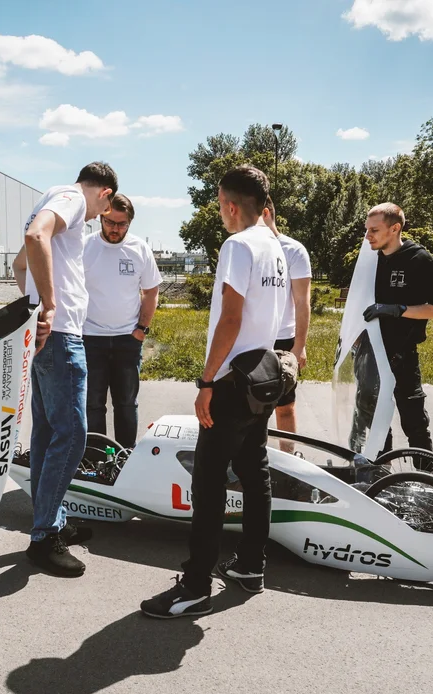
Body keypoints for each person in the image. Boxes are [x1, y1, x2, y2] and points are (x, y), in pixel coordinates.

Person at [141, 165, 287, 619]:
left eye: (219, 205)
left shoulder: (238, 245)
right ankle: (249, 566)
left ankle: (196, 586)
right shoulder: (277, 248)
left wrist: (205, 382)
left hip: (230, 381)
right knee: (253, 468)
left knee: (208, 482)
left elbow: (230, 318)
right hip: (262, 376)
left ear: (229, 205)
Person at [12, 162, 119, 577]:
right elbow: (34, 237)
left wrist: (34, 307)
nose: (98, 219)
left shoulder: (51, 196)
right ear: (105, 193)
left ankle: (49, 523)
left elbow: (20, 264)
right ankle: (43, 538)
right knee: (72, 435)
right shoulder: (74, 199)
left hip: (49, 337)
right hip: (62, 336)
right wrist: (51, 307)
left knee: (47, 434)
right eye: (103, 212)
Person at [357, 202, 433, 455]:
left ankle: (424, 480)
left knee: (414, 422)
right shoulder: (371, 261)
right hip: (370, 353)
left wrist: (398, 309)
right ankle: (381, 476)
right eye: (366, 229)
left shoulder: (420, 260)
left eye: (374, 230)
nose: (367, 236)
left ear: (395, 228)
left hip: (402, 354)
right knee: (375, 421)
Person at [82, 193, 162, 448]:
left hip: (127, 339)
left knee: (126, 403)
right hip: (90, 338)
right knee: (93, 403)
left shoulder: (139, 249)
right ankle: (96, 460)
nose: (115, 229)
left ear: (130, 223)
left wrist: (142, 329)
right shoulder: (85, 247)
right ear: (101, 218)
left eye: (121, 224)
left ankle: (125, 458)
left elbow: (151, 291)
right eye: (110, 222)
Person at [260, 197, 311, 454]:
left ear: (266, 213)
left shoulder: (293, 250)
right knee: (250, 407)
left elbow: (302, 302)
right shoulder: (244, 247)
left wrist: (299, 346)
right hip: (254, 339)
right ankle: (251, 460)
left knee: (285, 406)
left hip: (284, 340)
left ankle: (289, 458)